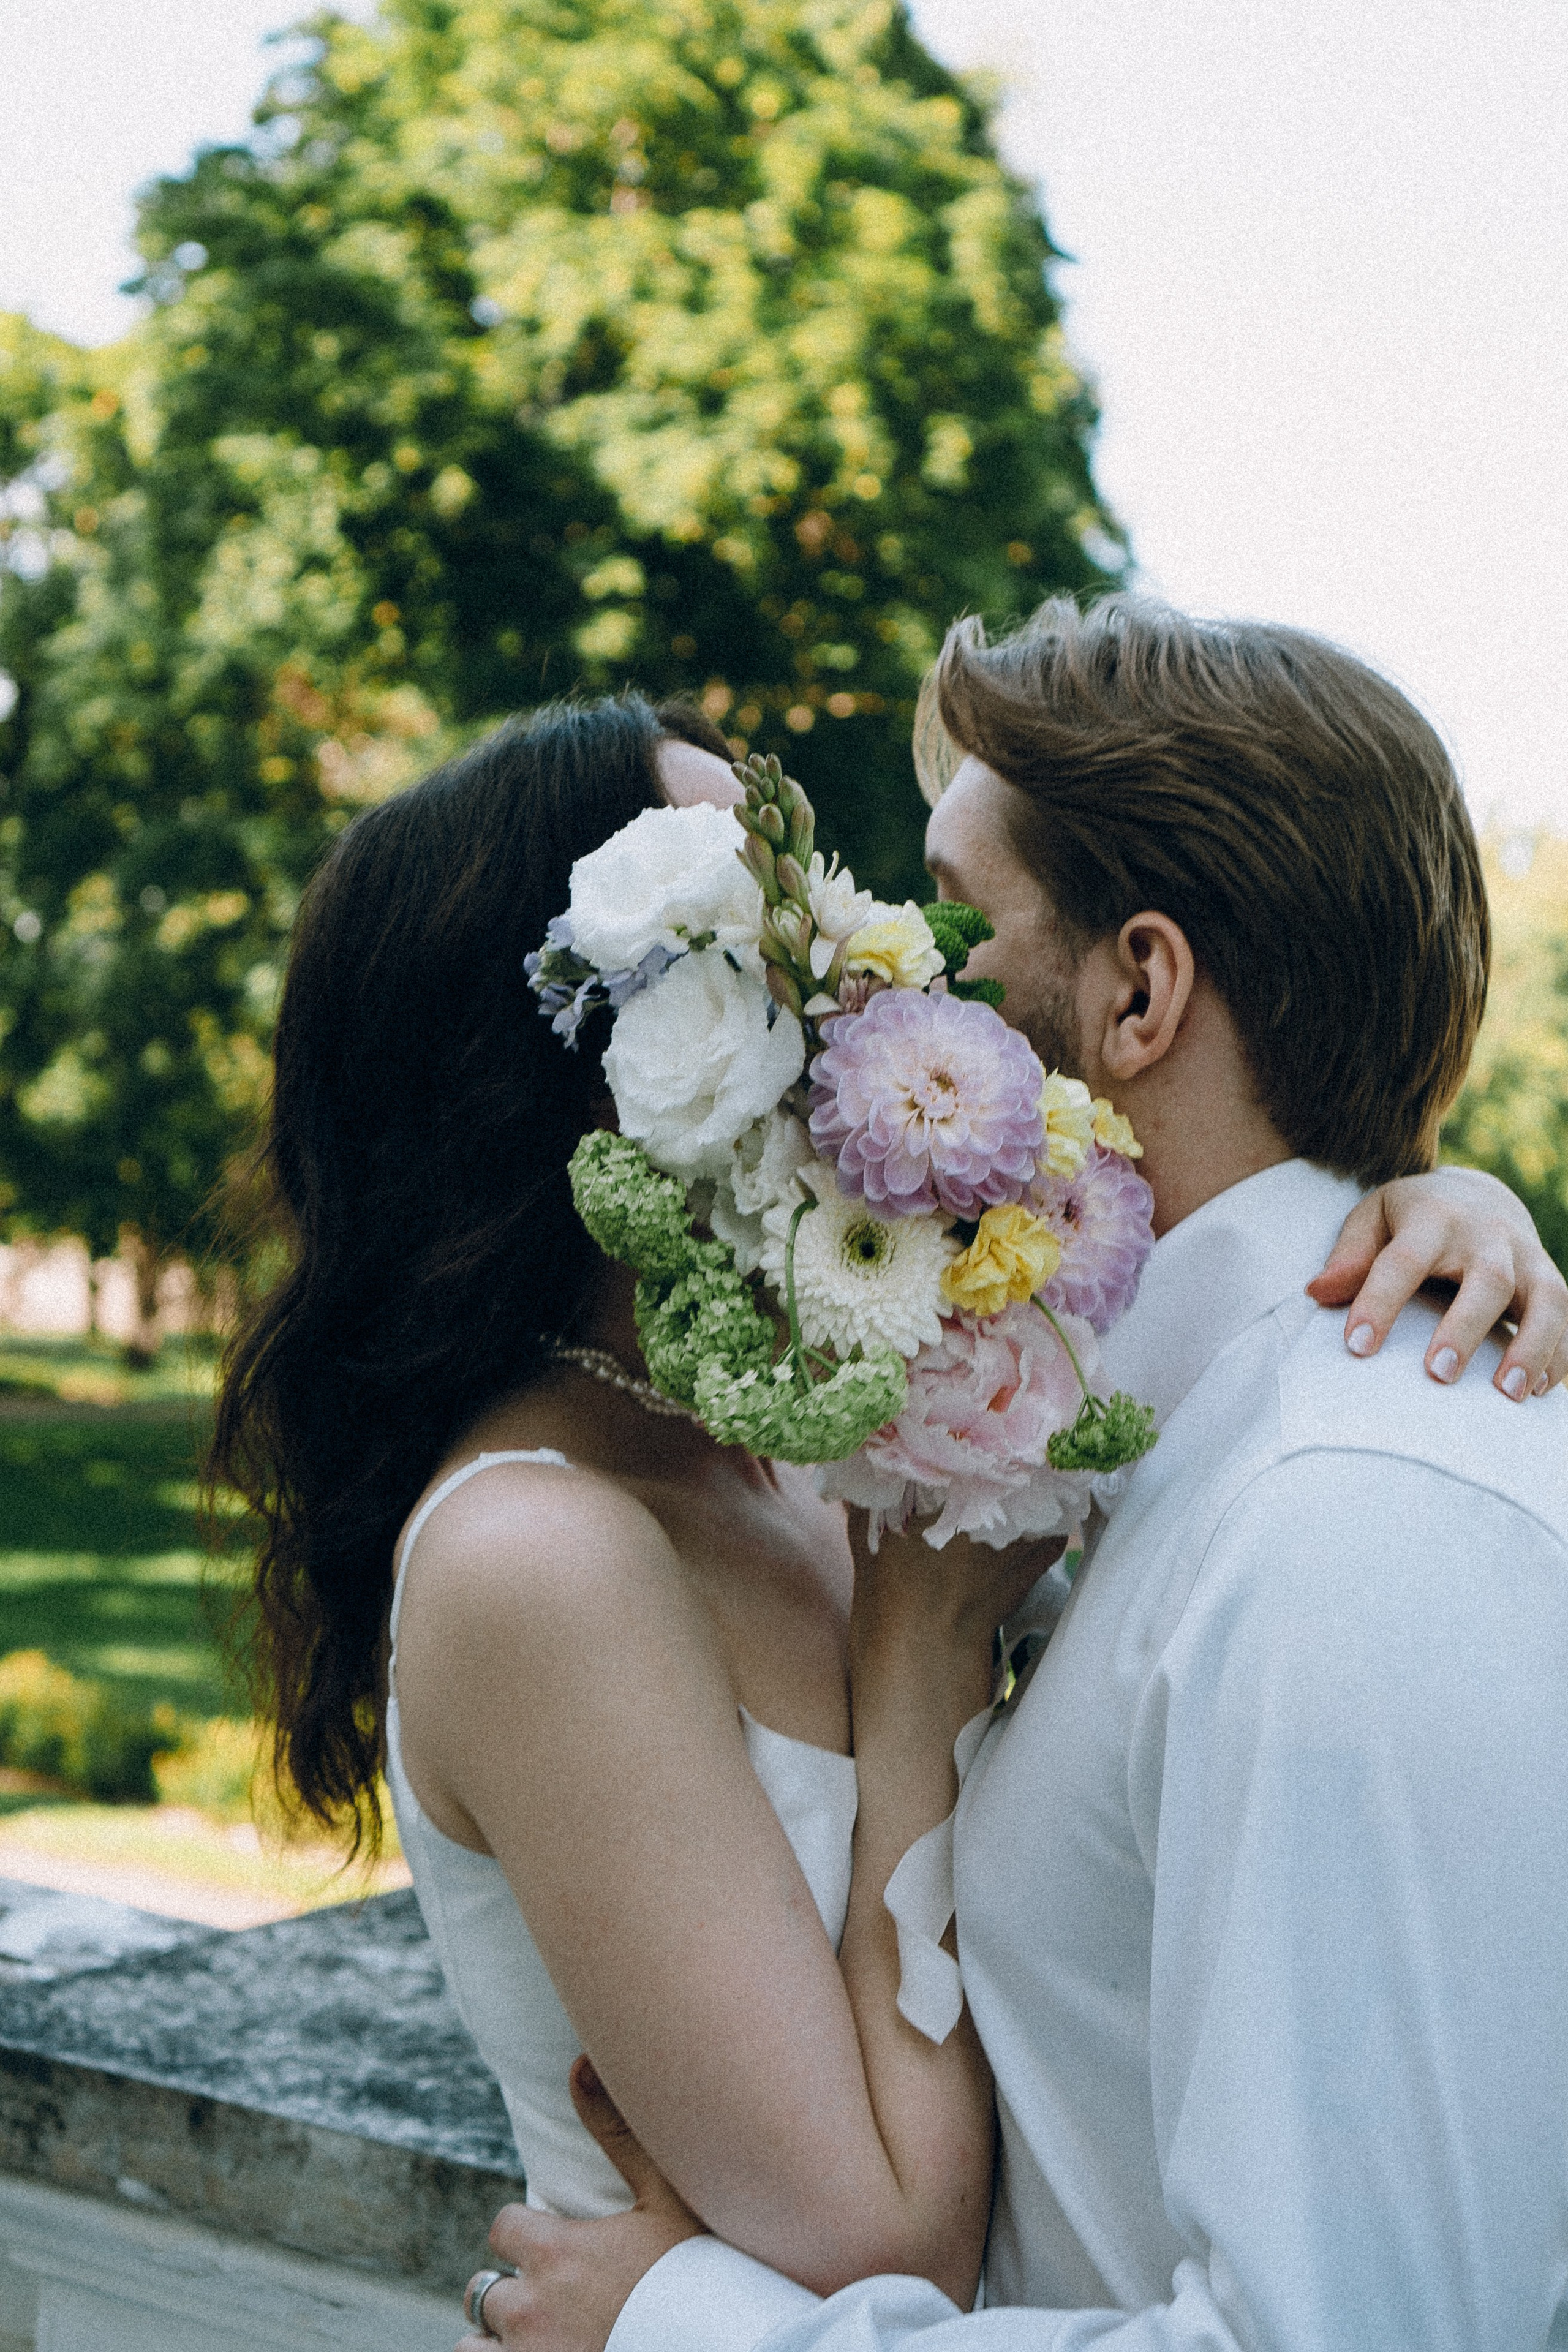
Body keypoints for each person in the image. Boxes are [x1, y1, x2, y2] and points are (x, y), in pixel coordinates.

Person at [458, 605, 1568, 2352]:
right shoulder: (1137, 1442)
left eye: (956, 925)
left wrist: (700, 2332)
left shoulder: (1346, 1528)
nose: (878, 999)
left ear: (1139, 992)